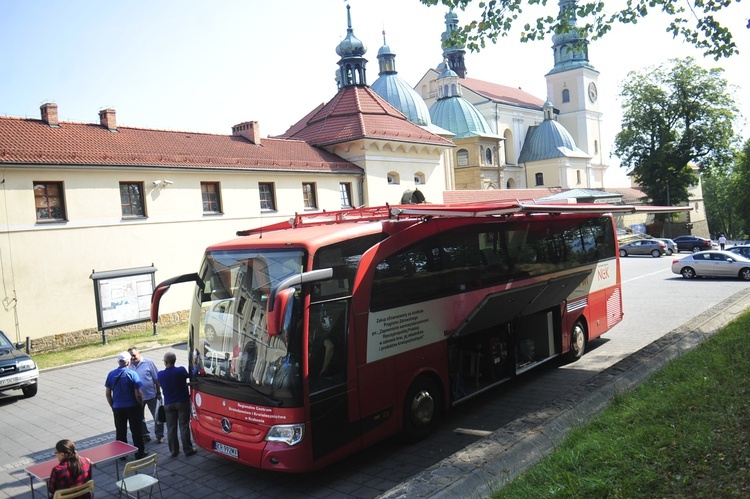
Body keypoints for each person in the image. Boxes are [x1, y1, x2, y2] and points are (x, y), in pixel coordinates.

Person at [105, 351, 146, 459]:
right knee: (136, 430)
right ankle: (139, 452)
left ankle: (122, 454)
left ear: (118, 362)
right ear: (128, 363)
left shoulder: (111, 374)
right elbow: (138, 393)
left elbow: (108, 394)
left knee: (120, 431)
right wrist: (140, 404)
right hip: (133, 407)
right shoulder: (132, 374)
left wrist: (113, 406)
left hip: (118, 407)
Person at [157, 351, 197, 458]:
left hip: (168, 404)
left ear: (165, 362)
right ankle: (188, 449)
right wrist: (195, 363)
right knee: (184, 426)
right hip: (182, 401)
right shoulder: (180, 371)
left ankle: (174, 451)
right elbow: (192, 374)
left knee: (171, 428)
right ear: (175, 361)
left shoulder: (160, 374)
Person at [128, 347, 164, 444]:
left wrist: (159, 393)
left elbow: (156, 379)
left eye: (134, 355)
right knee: (140, 418)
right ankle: (145, 435)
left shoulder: (148, 362)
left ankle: (159, 435)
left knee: (157, 416)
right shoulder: (129, 365)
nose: (132, 358)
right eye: (130, 356)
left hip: (151, 395)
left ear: (139, 353)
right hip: (137, 397)